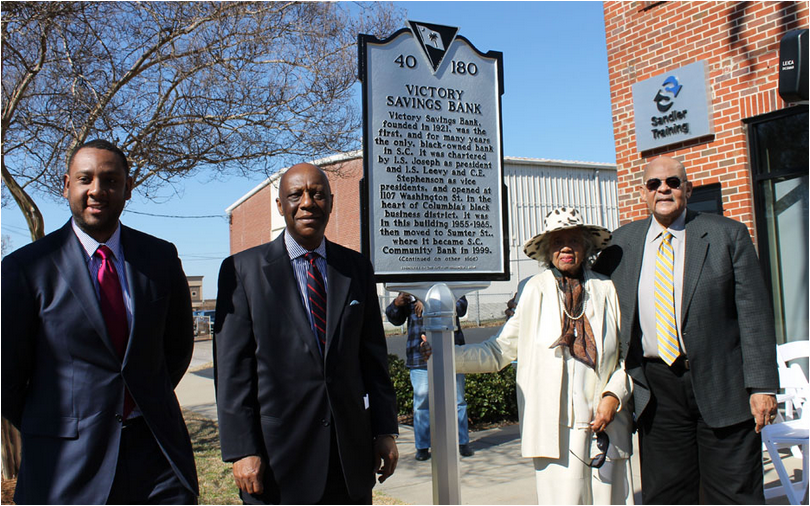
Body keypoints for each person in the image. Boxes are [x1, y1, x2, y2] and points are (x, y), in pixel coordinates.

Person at [1, 139, 198, 504]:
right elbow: (7, 378)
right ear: (66, 185)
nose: (97, 190)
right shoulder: (24, 269)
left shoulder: (160, 257)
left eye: (110, 180)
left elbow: (177, 349)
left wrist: (141, 396)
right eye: (85, 179)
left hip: (155, 452)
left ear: (128, 187)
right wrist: (55, 425)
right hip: (67, 463)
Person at [593, 156, 779, 504]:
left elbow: (754, 315)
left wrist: (763, 385)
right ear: (643, 193)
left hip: (724, 383)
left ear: (688, 190)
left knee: (734, 492)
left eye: (673, 182)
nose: (663, 188)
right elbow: (590, 294)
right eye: (654, 184)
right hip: (656, 388)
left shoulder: (727, 235)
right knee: (667, 494)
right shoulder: (619, 245)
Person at [214, 162, 399, 504]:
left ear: (331, 201)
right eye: (296, 195)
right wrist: (242, 450)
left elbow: (373, 358)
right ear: (280, 205)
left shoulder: (355, 267)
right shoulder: (242, 271)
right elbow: (233, 372)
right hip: (277, 459)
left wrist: (384, 430)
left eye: (317, 194)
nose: (307, 203)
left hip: (348, 457)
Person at [427, 207, 634, 504]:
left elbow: (626, 354)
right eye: (557, 241)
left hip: (606, 421)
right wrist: (443, 355)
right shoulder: (533, 291)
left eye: (573, 240)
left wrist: (614, 395)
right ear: (547, 251)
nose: (566, 248)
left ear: (586, 246)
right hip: (554, 428)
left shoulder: (606, 289)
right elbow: (498, 352)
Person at [385, 293, 473, 461]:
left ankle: (462, 442)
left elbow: (461, 308)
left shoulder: (449, 283)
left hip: (451, 352)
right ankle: (423, 446)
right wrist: (397, 303)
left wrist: (431, 303)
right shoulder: (410, 286)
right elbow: (395, 319)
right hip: (418, 356)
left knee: (457, 400)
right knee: (422, 402)